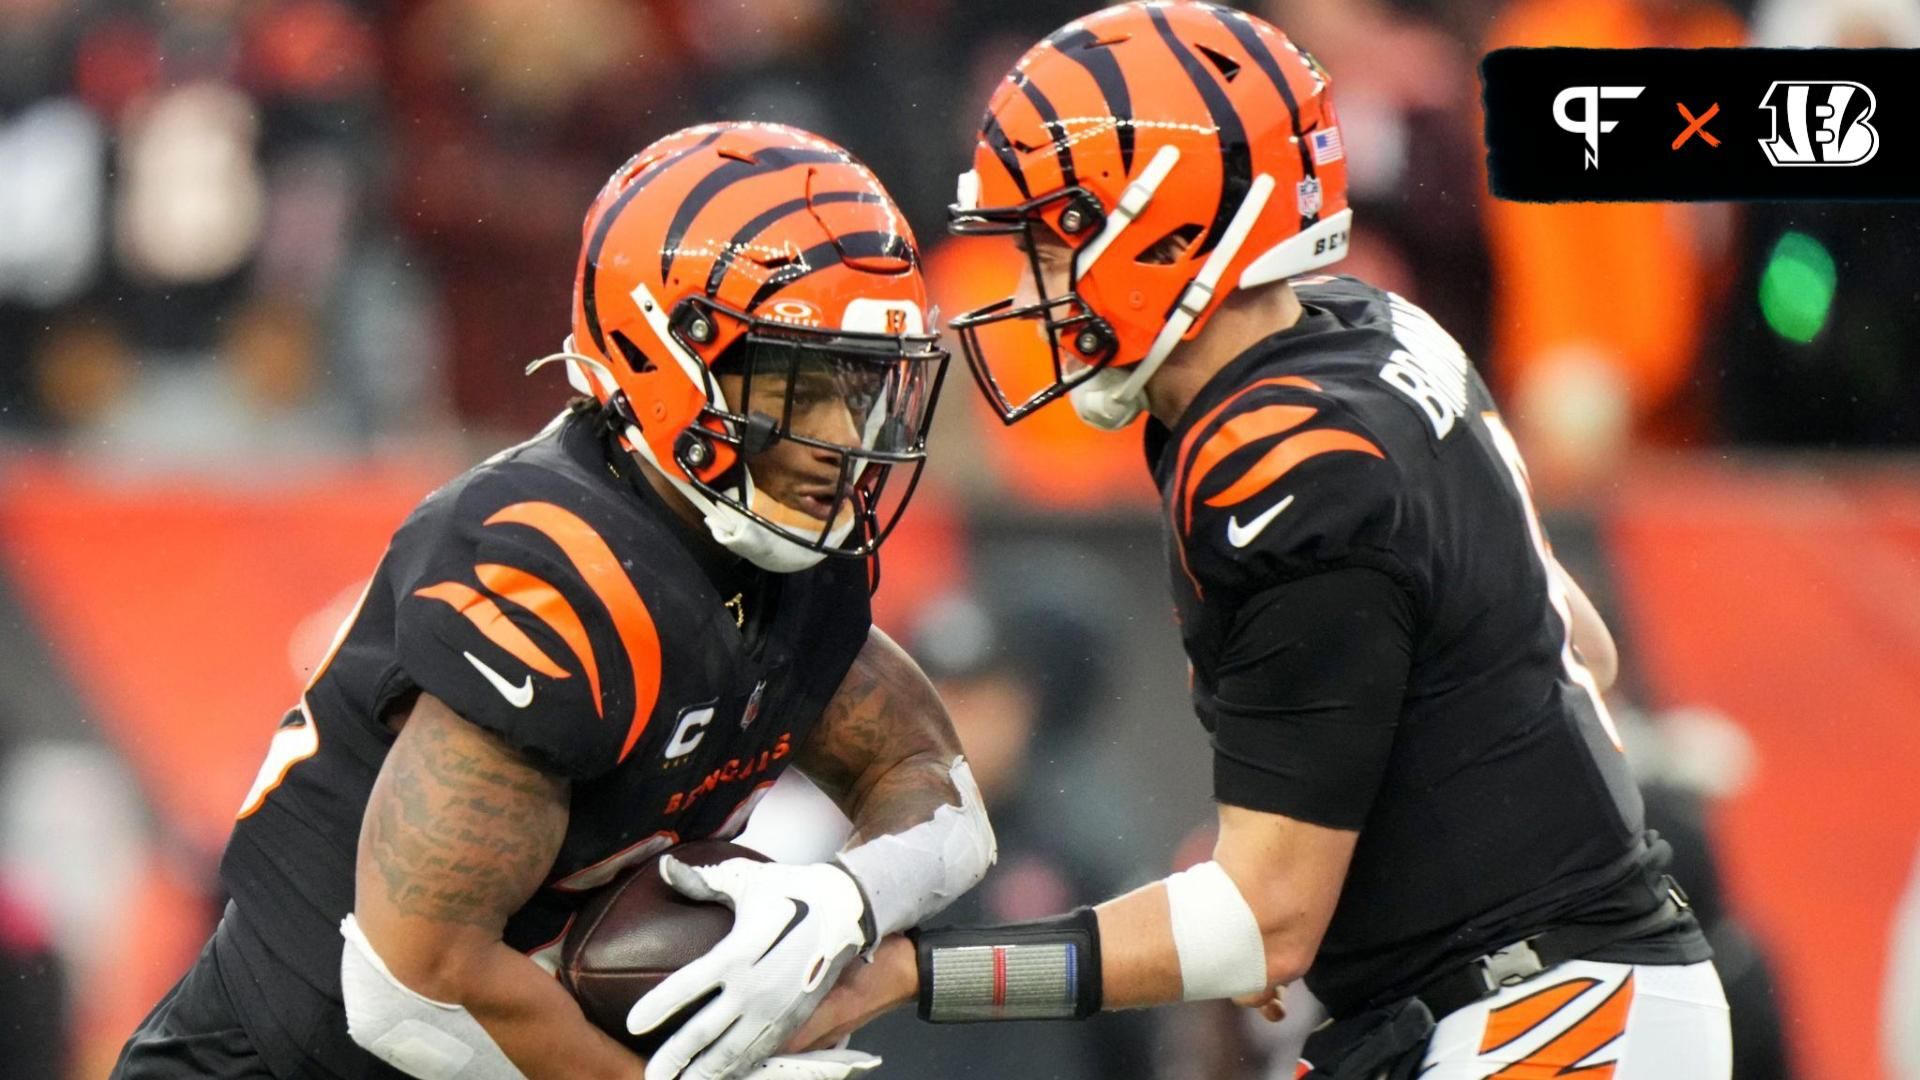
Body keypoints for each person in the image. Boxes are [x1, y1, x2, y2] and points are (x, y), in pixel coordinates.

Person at [777, 5, 1729, 1078]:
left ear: (1169, 232)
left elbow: (1265, 924)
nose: (1029, 289)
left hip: (1542, 1013)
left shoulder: (1282, 465)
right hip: (1537, 990)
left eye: (1050, 244)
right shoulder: (1369, 326)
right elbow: (1578, 649)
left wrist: (924, 973)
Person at [110, 121, 997, 1080]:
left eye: (865, 388)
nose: (841, 439)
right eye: (798, 385)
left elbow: (937, 790)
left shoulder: (777, 553)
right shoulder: (561, 571)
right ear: (672, 357)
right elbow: (412, 986)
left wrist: (843, 902)